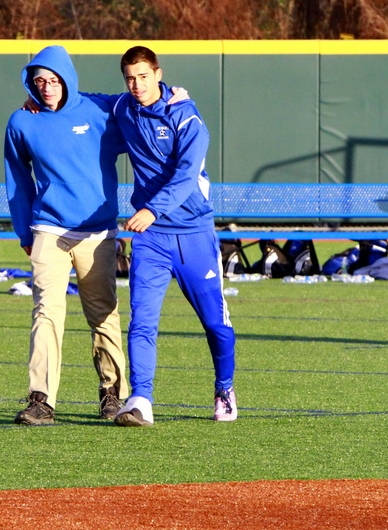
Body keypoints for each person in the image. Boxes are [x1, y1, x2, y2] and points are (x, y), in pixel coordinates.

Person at [110, 45, 238, 427]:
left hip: (194, 235)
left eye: (143, 77)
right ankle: (141, 400)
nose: (136, 85)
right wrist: (42, 99)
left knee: (216, 325)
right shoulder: (122, 108)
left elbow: (186, 175)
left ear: (159, 74)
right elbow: (84, 103)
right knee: (142, 321)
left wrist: (151, 208)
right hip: (151, 239)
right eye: (130, 78)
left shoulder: (186, 115)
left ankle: (224, 388)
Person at [4, 45, 129, 425]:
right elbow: (17, 179)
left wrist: (174, 93)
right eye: (39, 80)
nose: (46, 87)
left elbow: (144, 97)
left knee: (103, 314)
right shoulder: (21, 122)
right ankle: (41, 400)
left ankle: (113, 394)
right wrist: (23, 228)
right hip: (48, 230)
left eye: (53, 79)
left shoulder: (101, 110)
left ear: (66, 78)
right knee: (46, 313)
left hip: (97, 232)